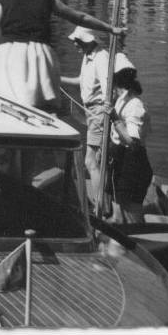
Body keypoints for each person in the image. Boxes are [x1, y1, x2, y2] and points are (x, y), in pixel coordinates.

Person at [60, 26, 110, 204]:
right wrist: (56, 78)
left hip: (98, 111)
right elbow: (81, 81)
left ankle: (100, 205)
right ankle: (102, 201)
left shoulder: (101, 57)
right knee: (95, 160)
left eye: (78, 40)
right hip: (90, 111)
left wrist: (105, 114)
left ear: (87, 40)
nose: (75, 43)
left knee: (90, 162)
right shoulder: (87, 57)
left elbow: (107, 89)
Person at [106, 54, 152, 225]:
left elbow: (132, 141)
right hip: (120, 160)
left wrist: (114, 117)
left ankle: (139, 243)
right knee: (117, 216)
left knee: (133, 218)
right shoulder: (119, 100)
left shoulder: (134, 105)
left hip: (134, 164)